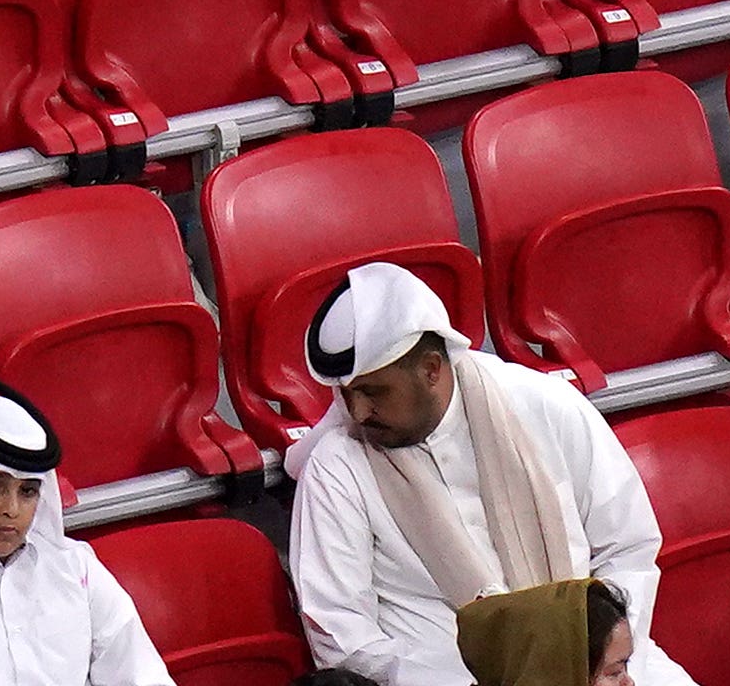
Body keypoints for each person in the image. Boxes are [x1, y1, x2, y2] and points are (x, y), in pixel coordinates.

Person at [289, 268, 691, 686]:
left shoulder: (543, 405)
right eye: (346, 394)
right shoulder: (336, 469)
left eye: (374, 392)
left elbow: (627, 546)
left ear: (431, 369)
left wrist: (594, 660)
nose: (357, 412)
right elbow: (342, 636)